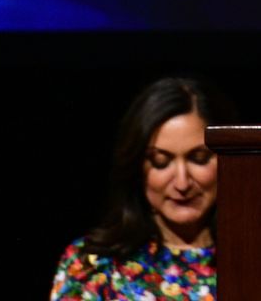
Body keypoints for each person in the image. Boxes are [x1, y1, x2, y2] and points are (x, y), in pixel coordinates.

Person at [49, 76, 238, 300]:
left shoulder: (259, 258)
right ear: (137, 166)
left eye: (198, 158)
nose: (182, 183)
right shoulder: (92, 265)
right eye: (160, 161)